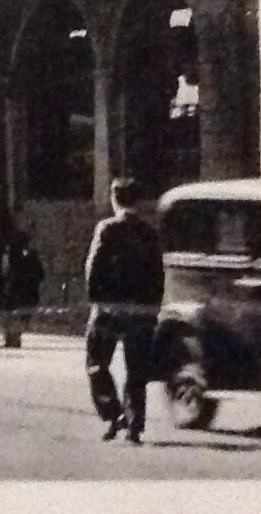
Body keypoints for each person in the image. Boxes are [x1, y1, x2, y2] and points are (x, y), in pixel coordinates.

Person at [83, 177, 164, 444]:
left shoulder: (106, 229)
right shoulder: (150, 233)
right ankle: (134, 426)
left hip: (110, 310)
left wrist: (96, 299)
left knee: (96, 364)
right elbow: (157, 274)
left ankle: (113, 412)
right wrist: (153, 308)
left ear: (114, 199)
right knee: (137, 370)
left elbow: (93, 269)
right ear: (138, 201)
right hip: (141, 312)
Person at [0, 216, 47, 349]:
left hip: (16, 290)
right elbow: (40, 274)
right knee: (13, 314)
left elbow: (38, 273)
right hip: (17, 290)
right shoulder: (23, 256)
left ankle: (13, 338)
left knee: (13, 314)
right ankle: (12, 338)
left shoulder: (20, 257)